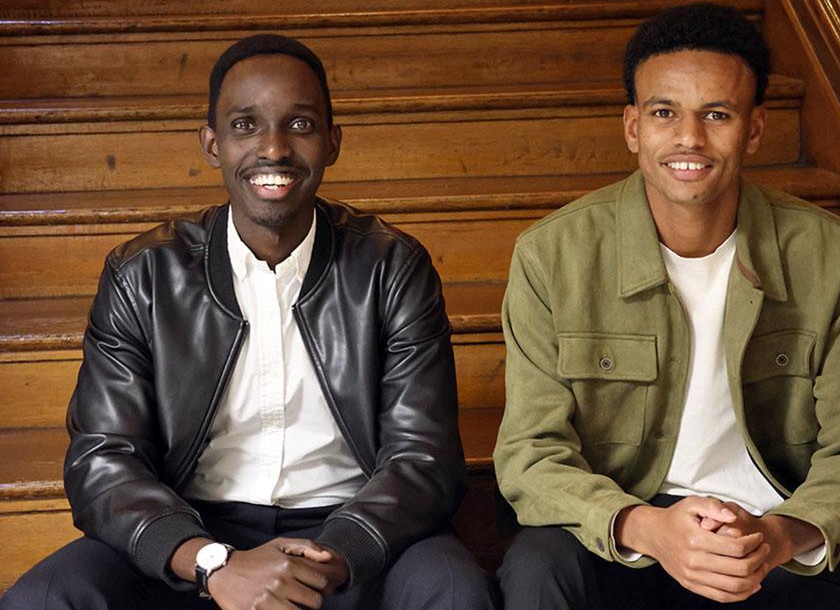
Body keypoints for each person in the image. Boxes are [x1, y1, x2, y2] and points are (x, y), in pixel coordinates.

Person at [2, 34, 496, 610]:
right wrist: (213, 563)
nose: (274, 149)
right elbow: (103, 459)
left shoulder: (391, 266)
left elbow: (423, 458)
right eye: (244, 126)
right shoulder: (143, 274)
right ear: (212, 144)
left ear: (332, 143)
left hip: (355, 534)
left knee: (456, 589)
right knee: (47, 597)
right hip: (193, 533)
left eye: (301, 125)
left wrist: (330, 558)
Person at [493, 3, 840, 609]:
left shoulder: (829, 253)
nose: (689, 138)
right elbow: (529, 454)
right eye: (664, 113)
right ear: (633, 127)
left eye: (717, 114)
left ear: (754, 129)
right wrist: (647, 528)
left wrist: (779, 535)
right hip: (630, 535)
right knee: (536, 564)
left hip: (773, 531)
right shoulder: (551, 256)